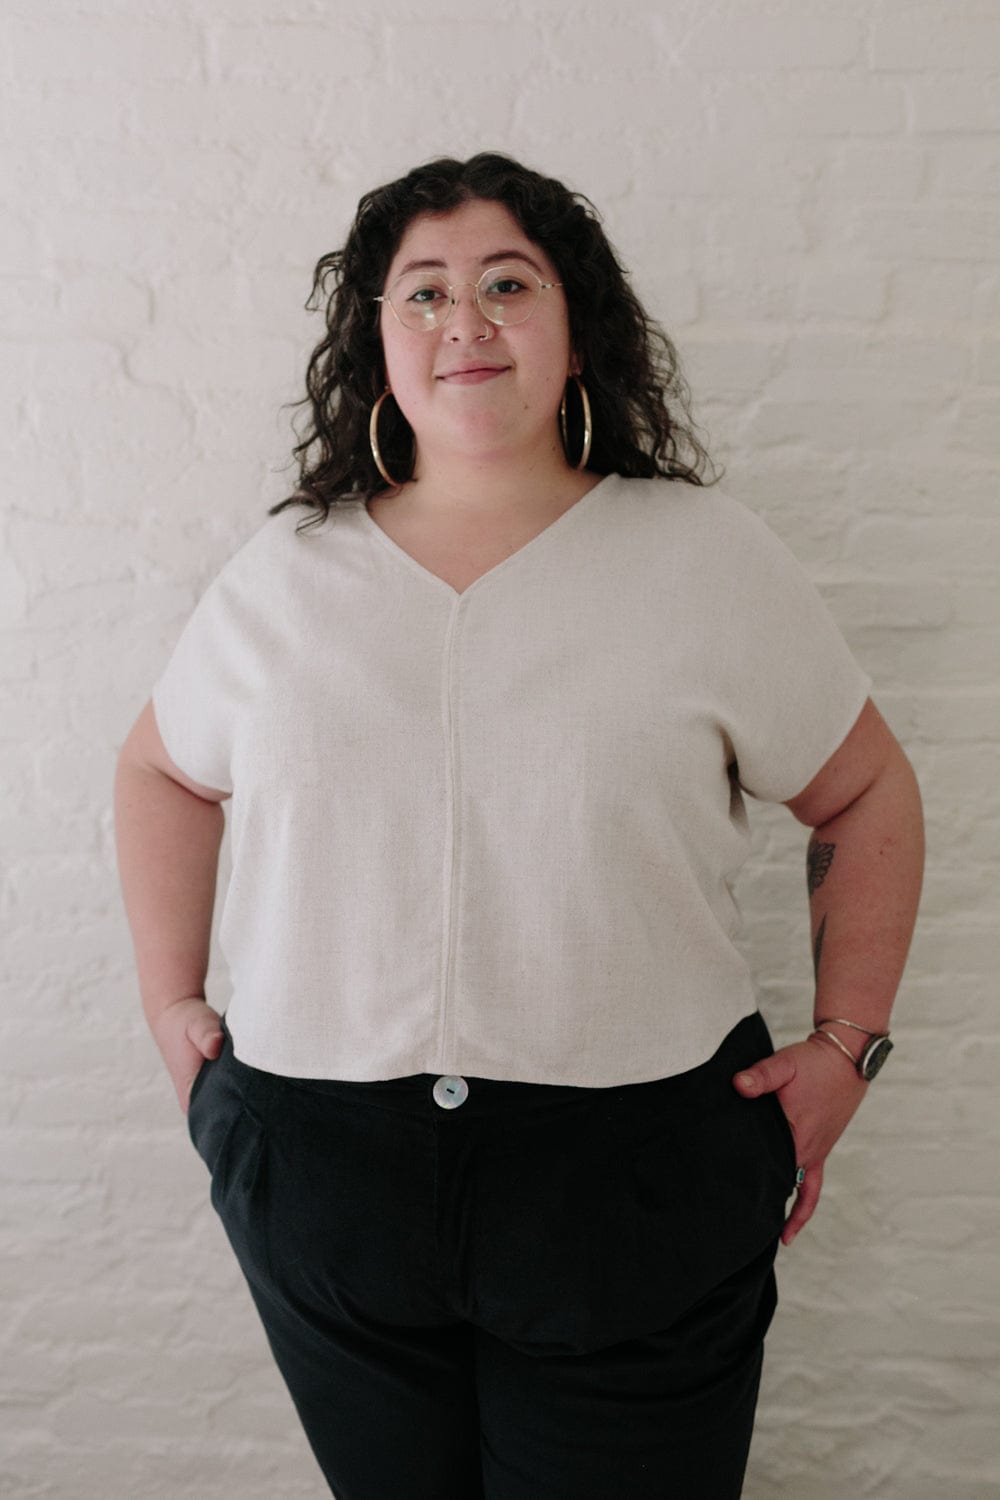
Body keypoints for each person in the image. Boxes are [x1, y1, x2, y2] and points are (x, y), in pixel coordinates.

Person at [113, 151, 924, 1500]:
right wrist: (169, 1009)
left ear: (575, 327)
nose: (465, 320)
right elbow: (162, 772)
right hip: (325, 1179)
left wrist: (848, 1043)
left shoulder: (705, 561)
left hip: (635, 1183)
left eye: (507, 283)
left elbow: (863, 790)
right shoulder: (284, 578)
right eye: (423, 292)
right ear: (379, 341)